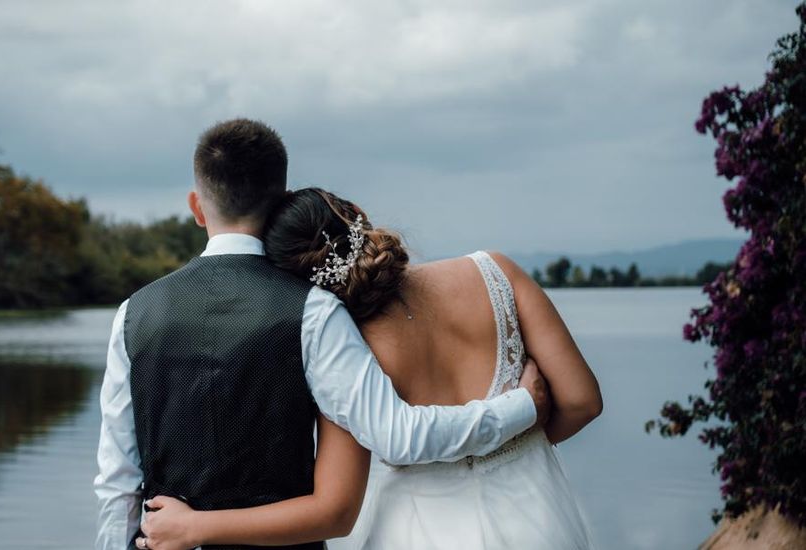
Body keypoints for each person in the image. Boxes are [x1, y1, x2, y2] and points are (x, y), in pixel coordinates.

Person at [93, 120, 551, 550]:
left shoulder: (134, 314)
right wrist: (522, 406)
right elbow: (398, 436)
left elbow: (117, 484)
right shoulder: (314, 312)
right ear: (280, 202)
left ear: (196, 206)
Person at [140, 187, 602, 549]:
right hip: (534, 513)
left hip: (417, 531)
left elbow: (337, 503)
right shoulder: (495, 271)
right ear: (356, 214)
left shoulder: (341, 345)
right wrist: (510, 445)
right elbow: (582, 401)